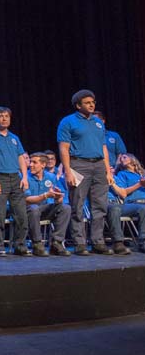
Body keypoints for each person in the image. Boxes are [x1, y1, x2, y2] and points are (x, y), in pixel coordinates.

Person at [57, 89, 114, 255]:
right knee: (78, 205)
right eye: (87, 103)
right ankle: (80, 243)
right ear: (78, 105)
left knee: (100, 206)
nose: (91, 105)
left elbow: (103, 148)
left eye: (93, 102)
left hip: (98, 166)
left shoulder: (98, 123)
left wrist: (107, 171)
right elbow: (64, 148)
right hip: (79, 165)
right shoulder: (68, 122)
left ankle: (98, 241)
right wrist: (68, 171)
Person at [0, 107, 30, 256]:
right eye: (1, 116)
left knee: (21, 215)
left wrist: (24, 177)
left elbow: (21, 158)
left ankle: (20, 245)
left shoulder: (14, 138)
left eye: (7, 116)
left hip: (15, 178)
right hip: (0, 177)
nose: (4, 119)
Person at [25, 152, 71, 256]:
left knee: (65, 208)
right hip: (27, 211)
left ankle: (56, 243)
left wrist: (58, 197)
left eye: (34, 162)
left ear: (43, 165)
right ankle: (37, 244)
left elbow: (57, 200)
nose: (31, 165)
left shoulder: (51, 177)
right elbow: (26, 200)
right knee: (33, 208)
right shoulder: (25, 177)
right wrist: (45, 195)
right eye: (30, 162)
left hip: (44, 209)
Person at [109, 153, 145, 253]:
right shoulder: (122, 174)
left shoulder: (142, 174)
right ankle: (143, 241)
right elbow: (123, 193)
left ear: (133, 160)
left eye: (124, 157)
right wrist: (139, 185)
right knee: (143, 209)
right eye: (120, 158)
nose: (121, 159)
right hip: (133, 203)